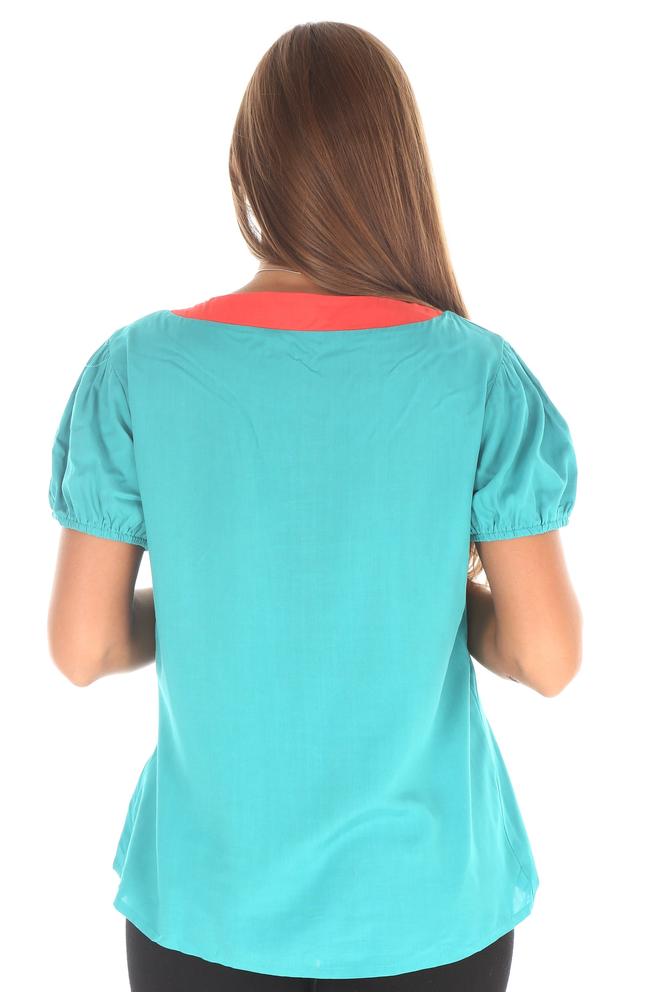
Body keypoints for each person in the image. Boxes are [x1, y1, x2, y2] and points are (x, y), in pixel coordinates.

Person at [46, 20, 582, 992]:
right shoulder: (476, 375)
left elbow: (84, 647)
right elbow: (545, 658)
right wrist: (420, 607)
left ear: (245, 173)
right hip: (431, 916)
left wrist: (220, 606)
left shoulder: (137, 369)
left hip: (205, 912)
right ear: (398, 173)